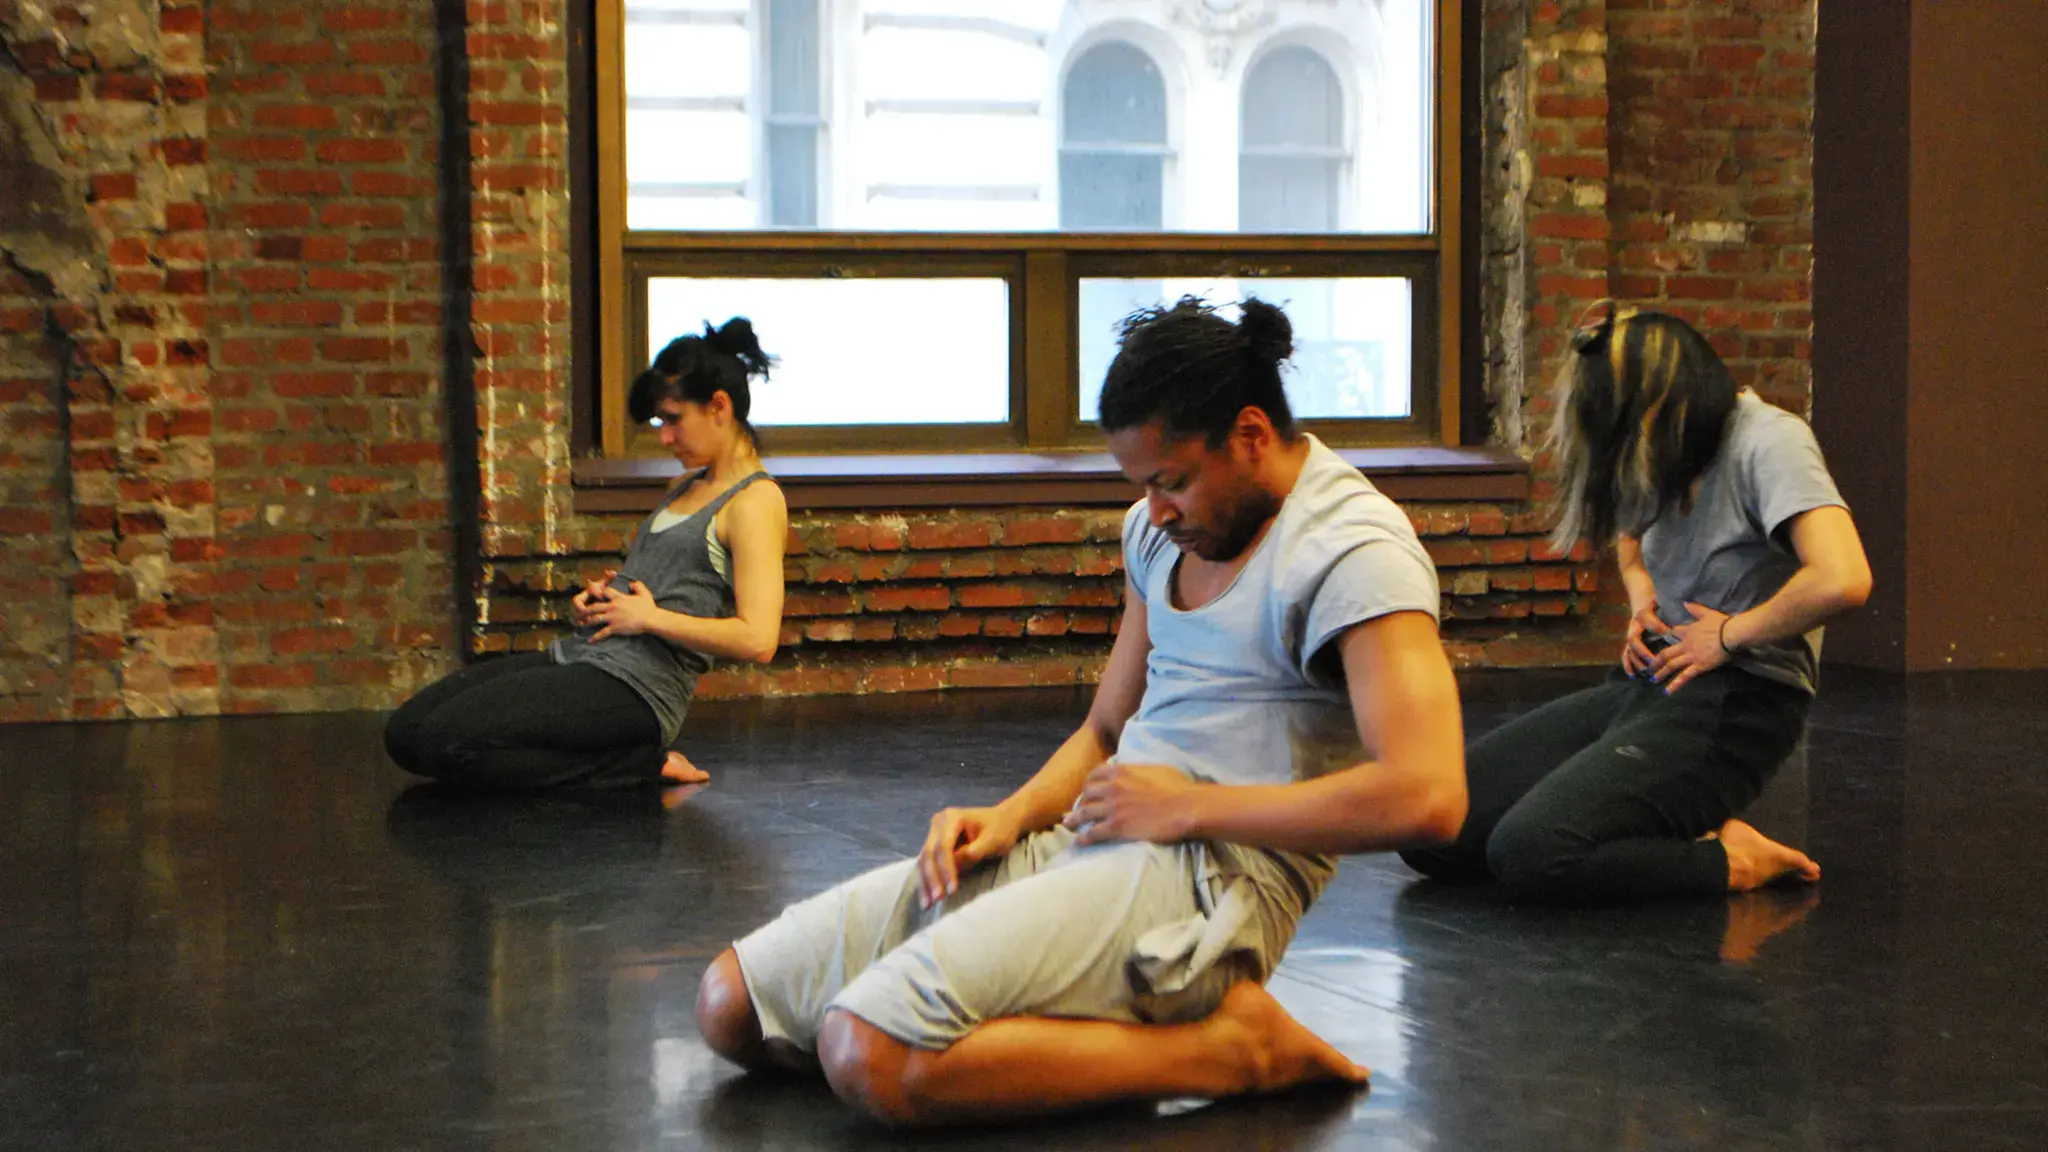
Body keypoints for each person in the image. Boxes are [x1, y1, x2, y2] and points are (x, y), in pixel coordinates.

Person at [694, 298, 1468, 1127]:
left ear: (1249, 434)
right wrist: (1011, 815)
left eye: (1173, 482)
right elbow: (1105, 729)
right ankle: (1068, 1021)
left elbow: (1430, 797)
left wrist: (1186, 808)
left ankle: (1236, 1049)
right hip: (1100, 835)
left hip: (1217, 882)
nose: (1156, 512)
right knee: (731, 1006)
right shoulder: (1156, 531)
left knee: (866, 1054)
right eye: (1143, 486)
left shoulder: (1354, 550)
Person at [1401, 305, 1872, 903]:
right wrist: (1641, 593)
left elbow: (1843, 577)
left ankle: (1733, 860)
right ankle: (1676, 822)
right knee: (1430, 825)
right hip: (1653, 683)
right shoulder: (1671, 444)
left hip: (1741, 703)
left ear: (1665, 402)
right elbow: (1629, 534)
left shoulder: (1769, 441)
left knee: (1531, 853)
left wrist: (1728, 635)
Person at [383, 318, 789, 790]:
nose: (664, 437)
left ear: (719, 406)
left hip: (637, 689)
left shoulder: (755, 501)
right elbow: (666, 586)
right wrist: (605, 599)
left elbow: (758, 639)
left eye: (673, 419)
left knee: (445, 742)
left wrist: (649, 619)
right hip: (585, 655)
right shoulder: (685, 485)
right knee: (407, 733)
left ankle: (638, 764)